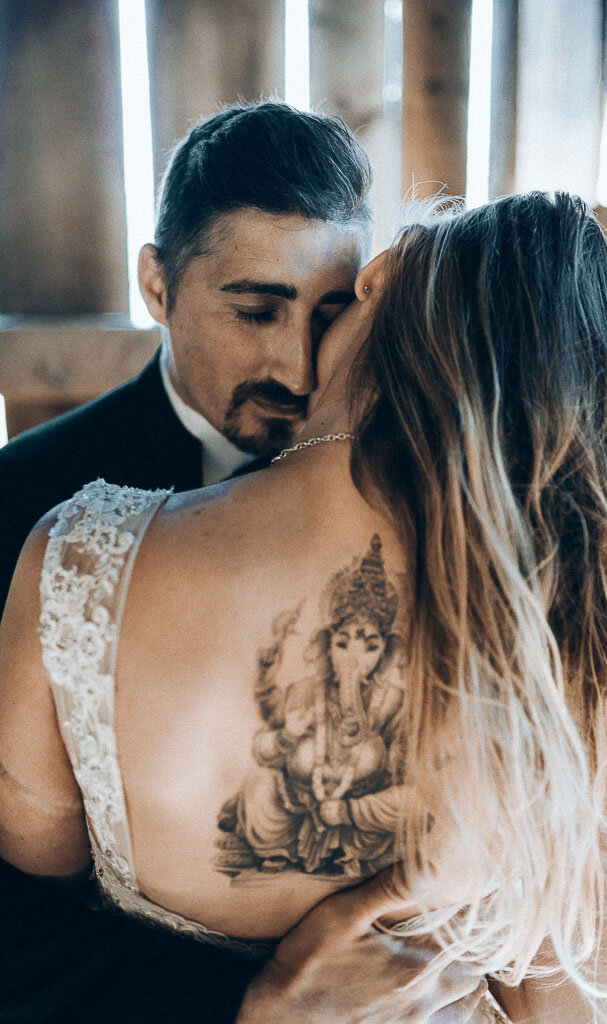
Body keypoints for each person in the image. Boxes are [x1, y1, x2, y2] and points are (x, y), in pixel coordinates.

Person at [1, 190, 607, 1023]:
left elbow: (37, 865)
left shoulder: (79, 559)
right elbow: (579, 1007)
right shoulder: (588, 640)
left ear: (379, 280)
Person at [0, 100, 485, 1024]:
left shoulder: (446, 505)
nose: (298, 369)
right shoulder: (25, 509)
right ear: (155, 284)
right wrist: (265, 1002)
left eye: (330, 313)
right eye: (255, 309)